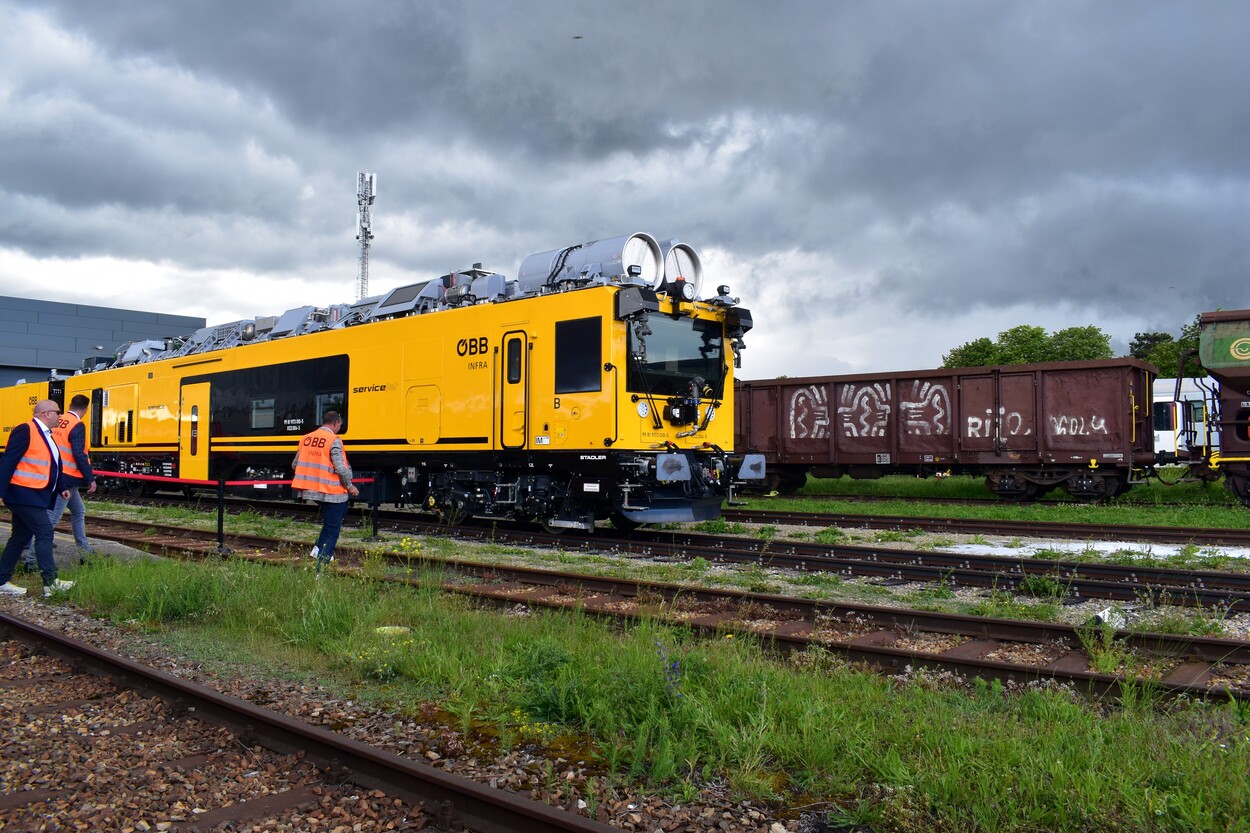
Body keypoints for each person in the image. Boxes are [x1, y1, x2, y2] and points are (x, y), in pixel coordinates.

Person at [0, 400, 74, 597]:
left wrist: (61, 487)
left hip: (33, 494)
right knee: (45, 532)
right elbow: (8, 462)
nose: (60, 416)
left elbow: (52, 464)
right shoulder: (25, 430)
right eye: (58, 412)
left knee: (19, 538)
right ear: (47, 414)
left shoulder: (47, 435)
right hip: (24, 494)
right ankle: (50, 583)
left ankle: (1, 581)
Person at [22, 394, 96, 568]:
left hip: (54, 473)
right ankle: (32, 561)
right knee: (52, 518)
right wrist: (90, 478)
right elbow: (79, 454)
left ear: (70, 404)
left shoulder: (58, 420)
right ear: (86, 409)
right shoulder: (77, 424)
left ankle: (85, 552)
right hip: (67, 478)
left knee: (78, 511)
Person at [290, 411, 358, 573]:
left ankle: (317, 550)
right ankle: (321, 570)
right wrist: (350, 486)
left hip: (310, 489)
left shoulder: (305, 438)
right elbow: (341, 468)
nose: (339, 427)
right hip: (331, 491)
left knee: (330, 522)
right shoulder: (333, 440)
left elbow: (294, 464)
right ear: (336, 423)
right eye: (340, 425)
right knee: (333, 530)